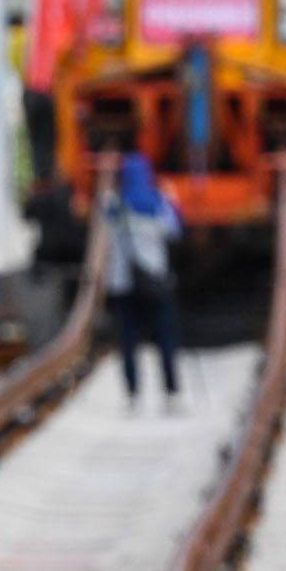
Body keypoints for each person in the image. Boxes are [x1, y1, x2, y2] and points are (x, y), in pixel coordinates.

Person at [106, 153, 184, 404]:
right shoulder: (159, 202)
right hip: (155, 281)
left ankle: (132, 392)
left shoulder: (114, 203)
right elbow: (175, 230)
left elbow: (104, 224)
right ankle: (171, 390)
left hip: (123, 284)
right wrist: (171, 200)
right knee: (165, 336)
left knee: (128, 340)